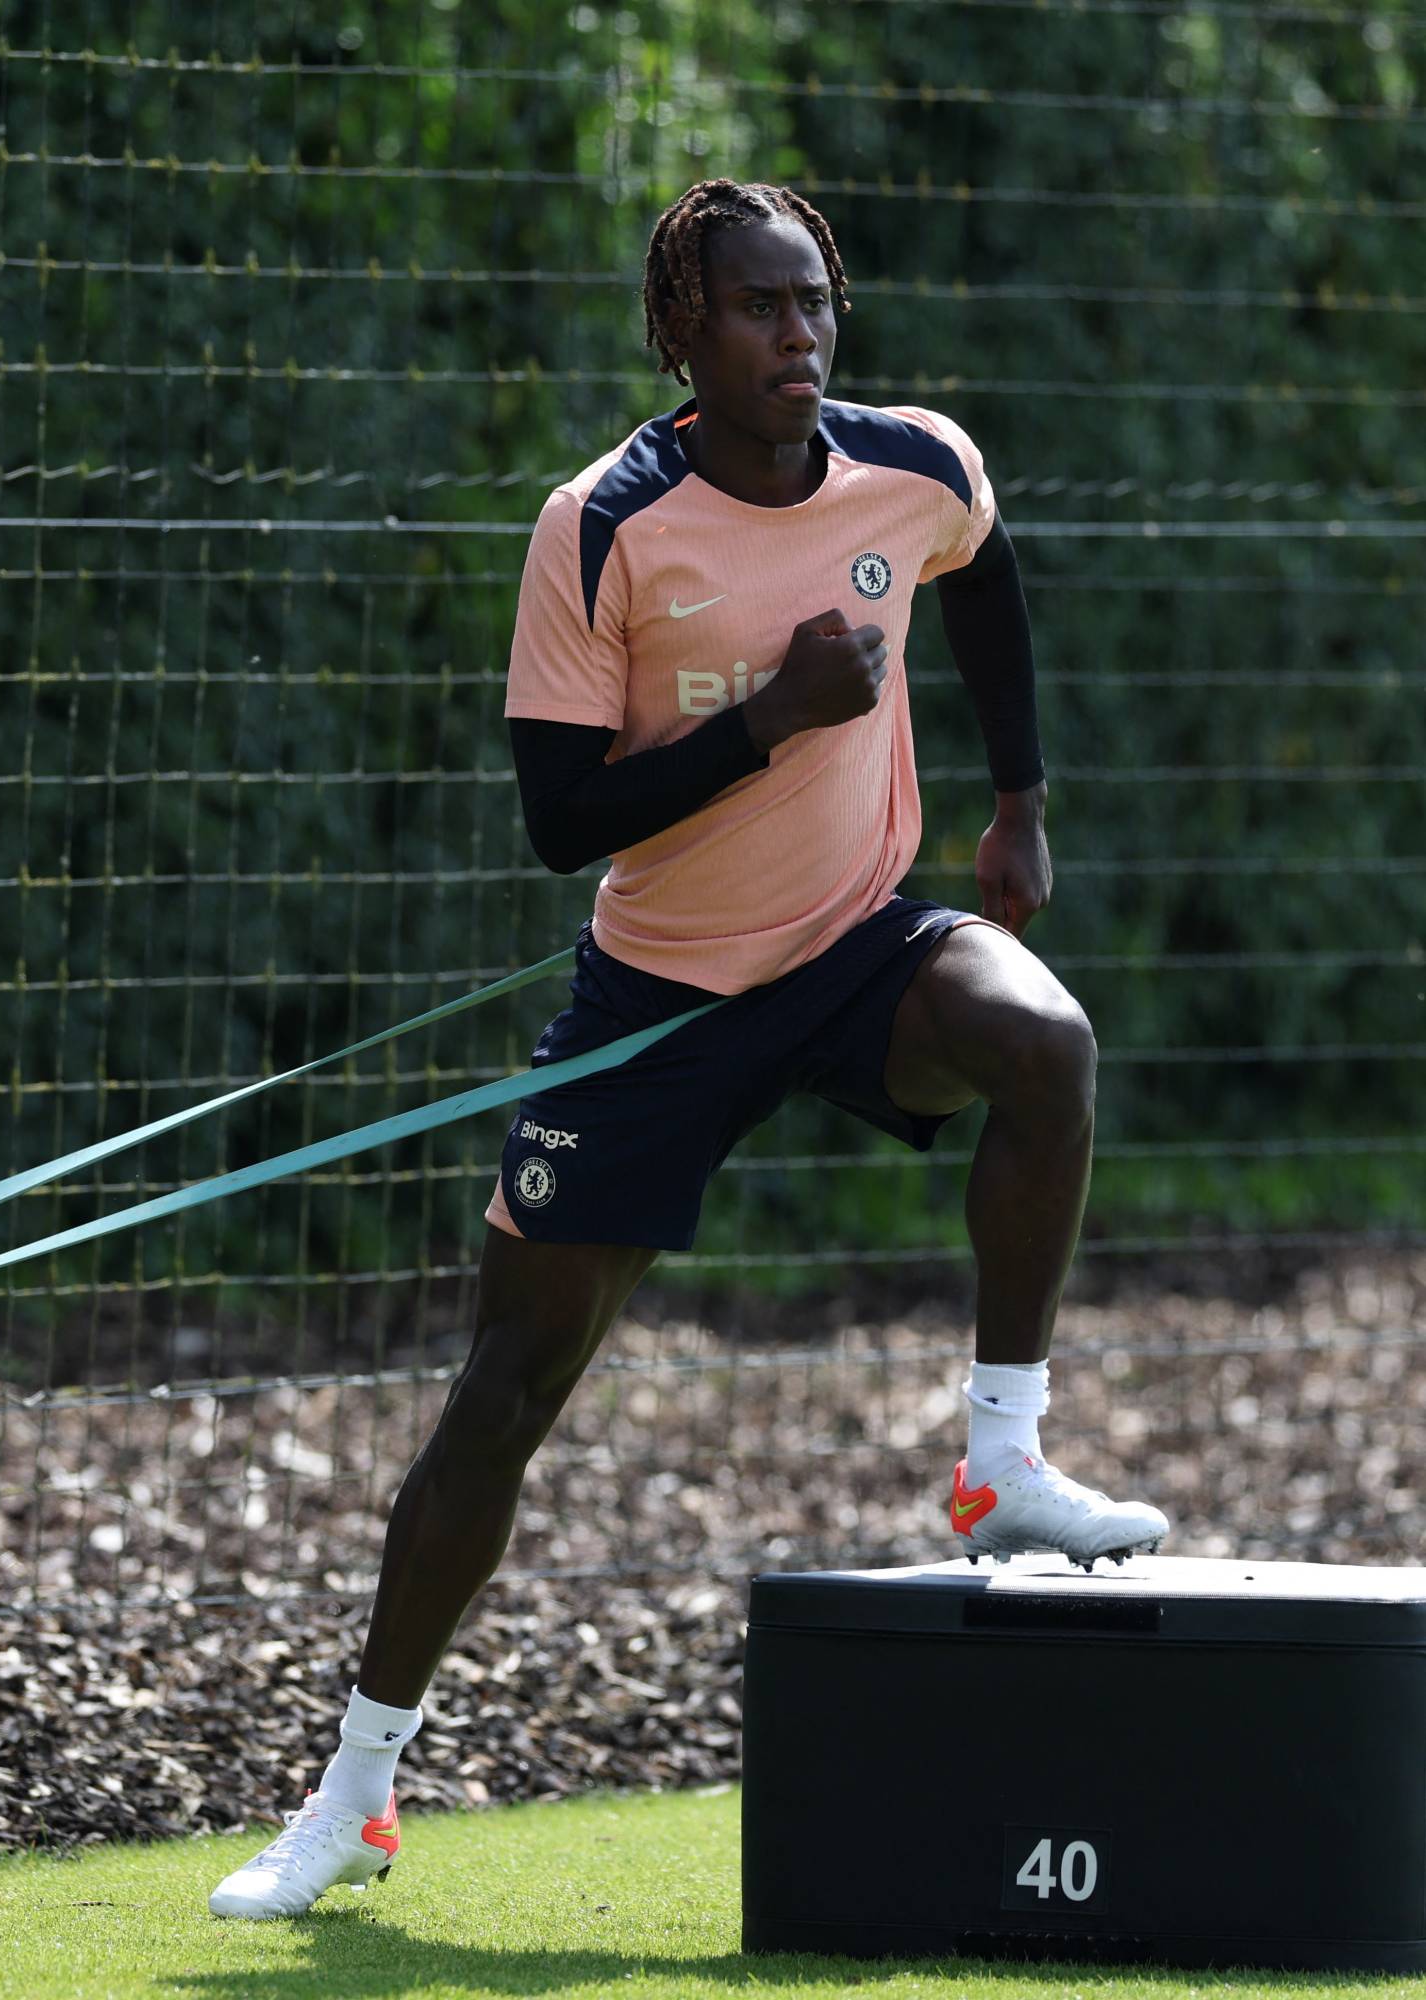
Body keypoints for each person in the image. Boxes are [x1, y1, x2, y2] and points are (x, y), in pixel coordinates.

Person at [209, 177, 1166, 1920]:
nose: (799, 336)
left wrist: (1018, 800)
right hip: (656, 997)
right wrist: (773, 721)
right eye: (757, 308)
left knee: (1045, 1042)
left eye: (815, 302)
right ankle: (351, 1794)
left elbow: (982, 574)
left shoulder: (917, 465)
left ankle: (1001, 1460)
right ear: (679, 331)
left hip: (860, 943)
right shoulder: (602, 525)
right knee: (507, 1392)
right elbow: (560, 819)